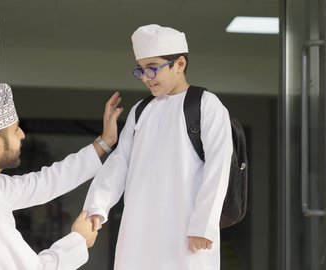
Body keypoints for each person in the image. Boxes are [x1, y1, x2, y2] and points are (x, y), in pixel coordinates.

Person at [0, 83, 123, 269]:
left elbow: (44, 183)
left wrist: (104, 143)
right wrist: (78, 239)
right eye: (15, 129)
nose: (22, 135)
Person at [83, 24, 233, 270]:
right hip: (138, 232)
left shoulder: (207, 105)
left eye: (152, 69)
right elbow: (120, 162)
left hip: (187, 234)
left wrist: (203, 225)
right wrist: (96, 207)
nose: (145, 78)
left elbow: (219, 167)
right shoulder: (141, 111)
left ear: (180, 64)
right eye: (140, 70)